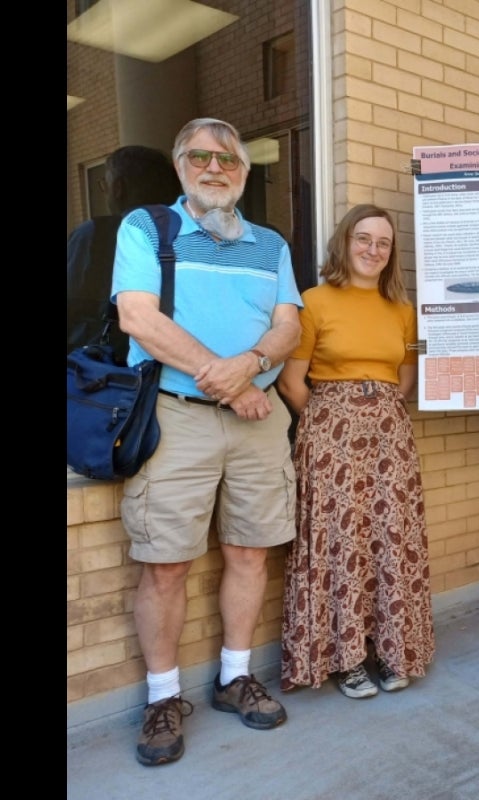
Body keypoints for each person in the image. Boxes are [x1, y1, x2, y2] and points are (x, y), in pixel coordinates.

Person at [112, 118, 302, 766]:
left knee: (250, 555)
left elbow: (287, 328)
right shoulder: (146, 230)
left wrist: (247, 367)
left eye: (227, 160)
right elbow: (138, 317)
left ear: (244, 173)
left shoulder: (270, 244)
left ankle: (233, 677)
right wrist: (227, 383)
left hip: (257, 417)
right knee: (165, 563)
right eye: (200, 157)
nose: (214, 167)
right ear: (180, 165)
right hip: (178, 417)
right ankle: (163, 697)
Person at [277, 203, 435, 699]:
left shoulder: (403, 311)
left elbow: (403, 381)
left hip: (389, 437)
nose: (373, 249)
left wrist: (373, 411)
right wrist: (332, 420)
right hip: (330, 439)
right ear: (345, 242)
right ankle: (345, 660)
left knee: (392, 538)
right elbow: (290, 382)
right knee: (340, 543)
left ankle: (391, 651)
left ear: (392, 254)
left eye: (383, 243)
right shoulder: (315, 301)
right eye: (363, 239)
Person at [67, 145, 181, 361]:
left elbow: (71, 301)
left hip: (107, 371)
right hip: (178, 364)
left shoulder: (95, 234)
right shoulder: (193, 232)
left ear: (118, 188)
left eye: (105, 185)